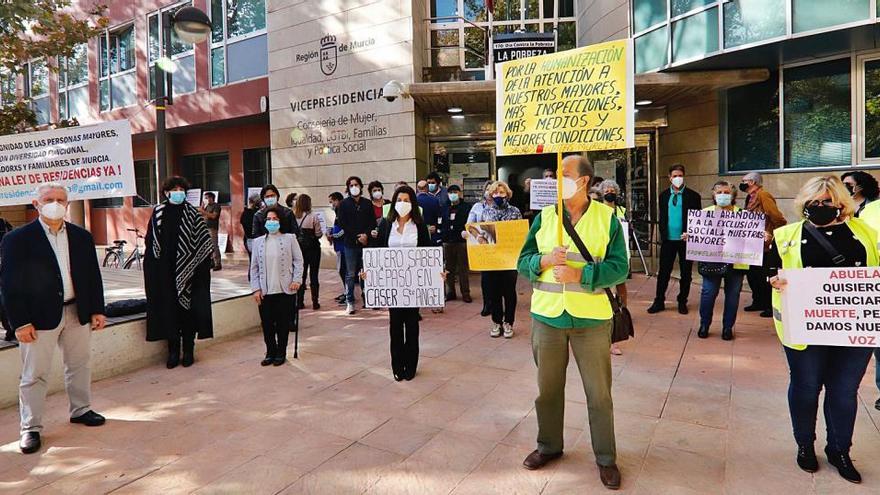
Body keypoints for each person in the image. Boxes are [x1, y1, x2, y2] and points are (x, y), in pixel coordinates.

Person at [516, 155, 627, 489]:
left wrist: (583, 273)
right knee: (547, 391)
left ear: (583, 181)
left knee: (599, 395)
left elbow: (620, 267)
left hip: (591, 320)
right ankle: (548, 446)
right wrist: (544, 260)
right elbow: (522, 262)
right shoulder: (545, 217)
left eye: (564, 174)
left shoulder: (607, 218)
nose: (557, 179)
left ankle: (606, 458)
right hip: (548, 317)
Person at [768, 175, 876, 484]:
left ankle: (840, 449)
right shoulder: (786, 235)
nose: (820, 207)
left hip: (853, 330)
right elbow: (770, 270)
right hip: (806, 328)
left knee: (844, 391)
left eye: (827, 202)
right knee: (806, 387)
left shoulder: (866, 233)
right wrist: (773, 281)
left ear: (841, 203)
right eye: (813, 203)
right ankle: (805, 445)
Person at [1, 183, 107, 455]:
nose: (55, 203)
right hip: (37, 320)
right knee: (34, 374)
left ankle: (81, 410)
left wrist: (97, 309)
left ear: (67, 204)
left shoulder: (81, 237)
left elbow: (92, 277)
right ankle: (31, 428)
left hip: (77, 312)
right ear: (36, 204)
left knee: (80, 365)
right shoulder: (17, 239)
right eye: (49, 199)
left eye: (61, 199)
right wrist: (20, 323)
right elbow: (10, 285)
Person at [144, 176, 214, 369]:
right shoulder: (158, 212)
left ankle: (189, 350)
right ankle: (173, 351)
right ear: (166, 193)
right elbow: (151, 242)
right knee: (169, 311)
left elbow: (204, 243)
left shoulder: (193, 213)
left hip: (191, 272)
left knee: (188, 312)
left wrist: (198, 268)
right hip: (164, 271)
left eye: (181, 189)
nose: (178, 192)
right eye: (174, 189)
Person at [370, 186, 433, 381]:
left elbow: (428, 253)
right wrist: (370, 273)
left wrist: (437, 272)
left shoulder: (419, 225)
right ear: (394, 202)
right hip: (393, 284)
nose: (402, 203)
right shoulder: (386, 225)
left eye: (406, 200)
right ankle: (397, 365)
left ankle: (411, 364)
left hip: (413, 284)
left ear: (412, 203)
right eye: (399, 199)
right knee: (395, 326)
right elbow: (378, 251)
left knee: (412, 325)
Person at [250, 206, 304, 366]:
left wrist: (297, 279)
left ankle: (281, 352)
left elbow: (298, 261)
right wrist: (256, 288)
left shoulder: (290, 238)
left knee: (282, 323)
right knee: (267, 324)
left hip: (285, 289)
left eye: (275, 219)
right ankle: (270, 352)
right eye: (268, 219)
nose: (271, 222)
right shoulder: (258, 242)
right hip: (265, 291)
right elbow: (254, 268)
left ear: (280, 221)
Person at [694, 181, 747, 341]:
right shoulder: (705, 213)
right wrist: (690, 236)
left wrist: (761, 237)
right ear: (713, 195)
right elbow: (698, 234)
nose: (723, 195)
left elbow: (750, 238)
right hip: (711, 261)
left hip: (737, 263)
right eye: (719, 192)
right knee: (708, 293)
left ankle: (727, 327)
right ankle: (704, 324)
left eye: (726, 192)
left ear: (733, 195)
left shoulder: (742, 214)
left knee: (733, 296)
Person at [648, 164, 702, 315]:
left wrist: (691, 234)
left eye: (680, 175)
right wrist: (662, 234)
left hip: (686, 240)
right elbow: (662, 217)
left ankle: (682, 301)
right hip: (668, 240)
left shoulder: (693, 196)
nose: (678, 178)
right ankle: (659, 301)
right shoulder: (664, 195)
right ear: (669, 177)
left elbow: (697, 220)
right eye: (675, 176)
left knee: (686, 273)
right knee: (664, 272)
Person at [740, 172, 786, 318]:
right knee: (753, 275)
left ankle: (768, 304)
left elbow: (777, 217)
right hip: (751, 243)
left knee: (763, 275)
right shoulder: (750, 197)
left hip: (764, 243)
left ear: (752, 182)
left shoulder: (763, 195)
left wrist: (772, 234)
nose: (742, 183)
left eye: (744, 181)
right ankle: (758, 301)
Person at [482, 180, 522, 338]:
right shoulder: (487, 212)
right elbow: (483, 232)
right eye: (496, 193)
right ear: (491, 195)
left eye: (502, 192)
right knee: (494, 292)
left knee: (509, 292)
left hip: (510, 259)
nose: (499, 195)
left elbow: (519, 233)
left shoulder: (515, 211)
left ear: (507, 194)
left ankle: (508, 322)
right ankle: (496, 321)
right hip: (492, 259)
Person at [337, 176, 377, 315]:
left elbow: (372, 222)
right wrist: (356, 236)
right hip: (350, 243)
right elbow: (343, 223)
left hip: (366, 242)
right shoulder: (343, 204)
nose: (354, 187)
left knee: (366, 272)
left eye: (356, 184)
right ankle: (350, 302)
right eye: (351, 185)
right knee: (350, 273)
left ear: (361, 186)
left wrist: (365, 235)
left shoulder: (367, 203)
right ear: (348, 188)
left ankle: (368, 299)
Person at [599, 179, 628, 356]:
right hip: (602, 258)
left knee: (620, 294)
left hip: (619, 256)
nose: (610, 192)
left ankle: (617, 331)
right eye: (607, 189)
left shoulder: (622, 211)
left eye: (612, 189)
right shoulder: (596, 211)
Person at [441, 184, 472, 303]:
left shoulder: (466, 207)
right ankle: (450, 292)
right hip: (447, 241)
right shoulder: (444, 207)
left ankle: (466, 293)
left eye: (455, 192)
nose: (452, 194)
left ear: (459, 193)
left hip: (461, 241)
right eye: (450, 192)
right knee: (449, 268)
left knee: (463, 269)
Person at [468, 180, 494, 317]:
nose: (489, 192)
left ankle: (496, 303)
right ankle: (487, 304)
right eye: (487, 189)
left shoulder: (501, 206)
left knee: (498, 277)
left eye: (492, 189)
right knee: (485, 277)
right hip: (482, 245)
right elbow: (470, 225)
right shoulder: (477, 207)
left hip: (498, 247)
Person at [293, 194, 323, 310]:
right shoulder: (314, 216)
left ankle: (299, 302)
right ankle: (315, 302)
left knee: (301, 274)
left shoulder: (294, 216)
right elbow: (318, 234)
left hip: (299, 249)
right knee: (314, 275)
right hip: (314, 248)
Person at [327, 192, 348, 305]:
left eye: (332, 201)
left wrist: (333, 236)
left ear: (337, 200)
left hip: (343, 246)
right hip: (338, 246)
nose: (331, 204)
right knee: (341, 270)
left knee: (343, 270)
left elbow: (344, 229)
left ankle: (348, 294)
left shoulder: (342, 211)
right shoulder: (337, 212)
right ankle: (345, 292)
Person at [200, 191, 222, 271]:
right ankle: (211, 261)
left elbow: (213, 216)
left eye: (206, 198)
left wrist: (203, 212)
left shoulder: (216, 206)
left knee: (214, 245)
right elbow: (202, 215)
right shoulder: (206, 206)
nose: (205, 199)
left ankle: (218, 263)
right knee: (208, 246)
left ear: (211, 198)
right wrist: (202, 208)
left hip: (212, 228)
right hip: (205, 228)